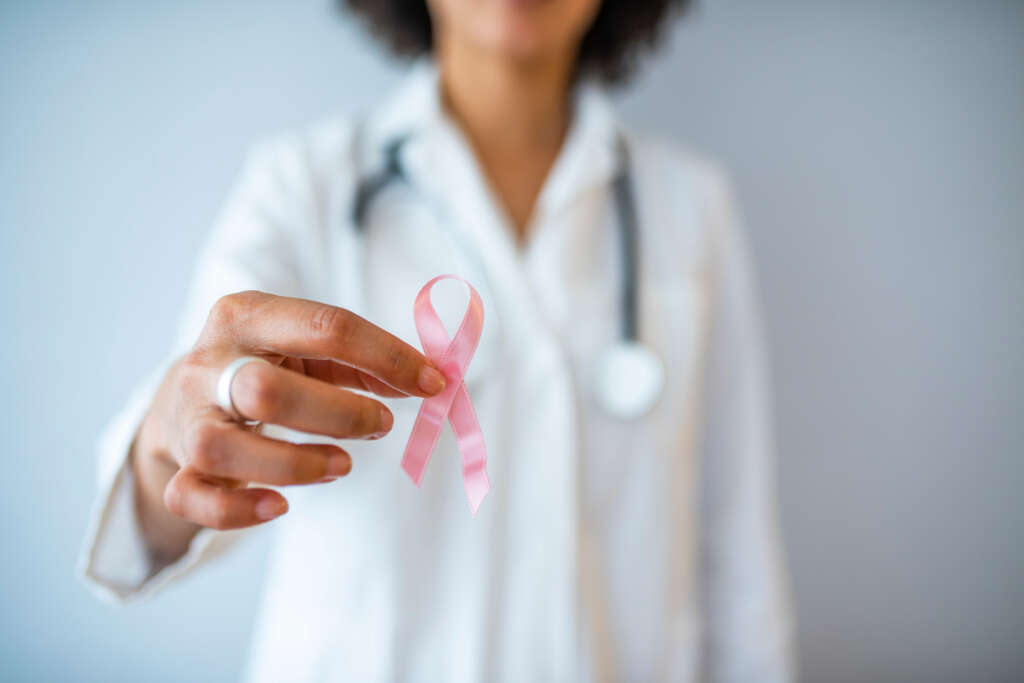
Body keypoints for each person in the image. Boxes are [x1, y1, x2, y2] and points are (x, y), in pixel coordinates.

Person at [79, 0, 794, 680]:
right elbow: (184, 457)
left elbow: (738, 550)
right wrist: (170, 443)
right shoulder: (302, 184)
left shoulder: (692, 205)